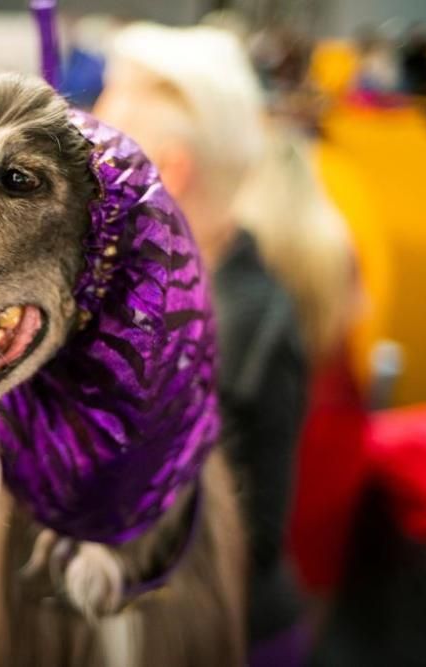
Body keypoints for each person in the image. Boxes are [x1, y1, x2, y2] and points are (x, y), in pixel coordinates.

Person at [94, 23, 347, 665]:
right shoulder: (153, 291)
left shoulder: (237, 332)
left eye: (100, 146)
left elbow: (238, 542)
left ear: (168, 171)